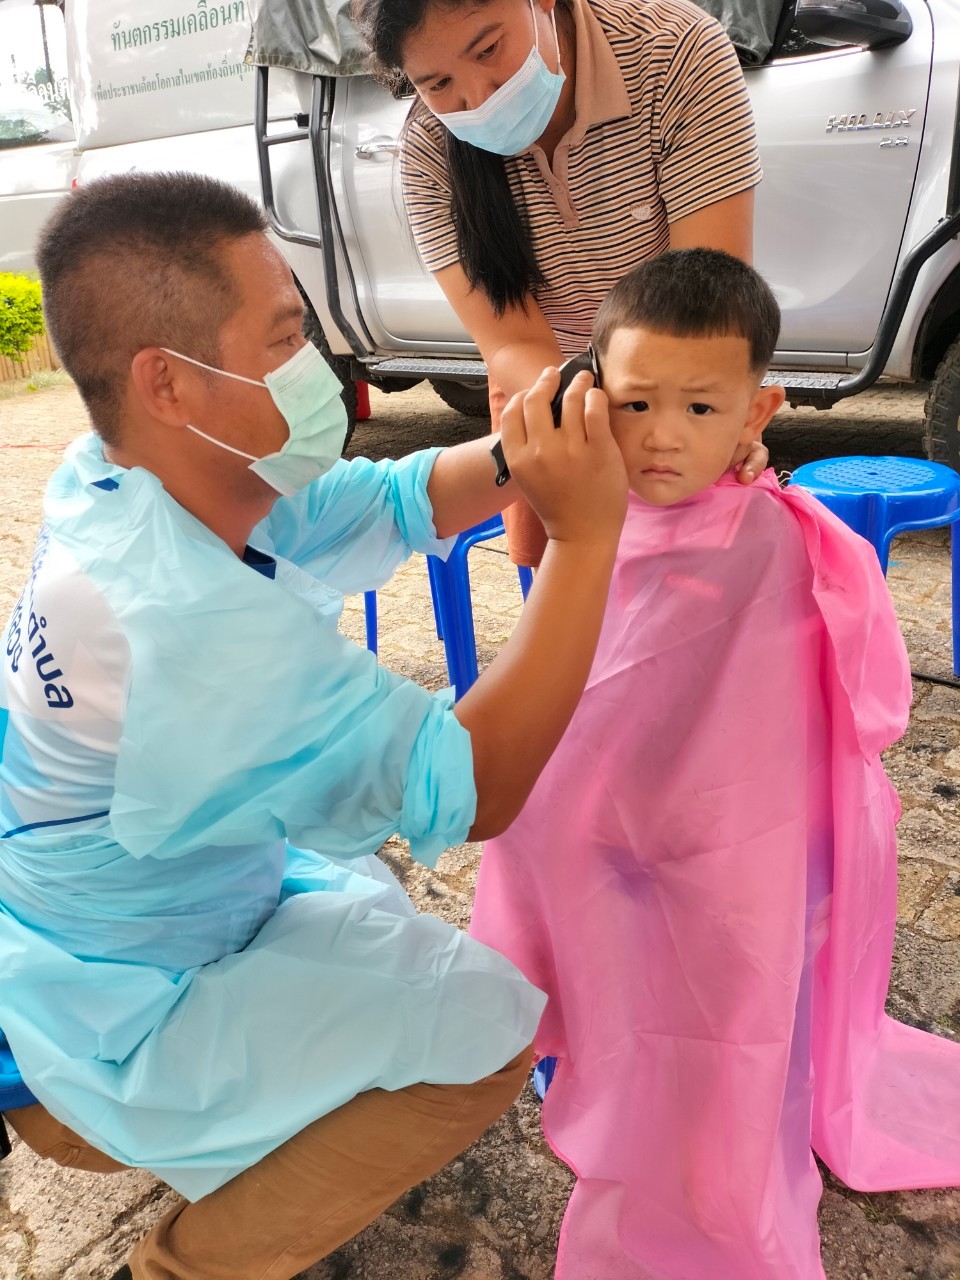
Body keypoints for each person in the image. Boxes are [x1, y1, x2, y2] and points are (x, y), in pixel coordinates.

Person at [0, 171, 630, 1280]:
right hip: (104, 1011)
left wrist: (528, 449)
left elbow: (379, 503)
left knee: (369, 909)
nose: (317, 364)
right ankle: (179, 1265)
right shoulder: (173, 624)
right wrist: (583, 539)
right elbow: (475, 782)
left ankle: (233, 1123)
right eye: (285, 337)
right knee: (482, 1029)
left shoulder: (126, 472)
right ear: (168, 381)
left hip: (101, 924)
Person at [470, 249, 960, 1279]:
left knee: (727, 1010)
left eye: (701, 408)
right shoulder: (587, 516)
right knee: (595, 960)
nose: (663, 435)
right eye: (638, 403)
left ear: (758, 409)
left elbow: (819, 723)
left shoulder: (781, 539)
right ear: (596, 395)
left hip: (734, 842)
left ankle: (710, 1164)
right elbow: (574, 692)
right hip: (606, 821)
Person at [353, 0, 768, 567]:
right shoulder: (430, 153)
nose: (480, 98)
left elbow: (710, 305)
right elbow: (512, 343)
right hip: (548, 394)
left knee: (700, 563)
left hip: (678, 390)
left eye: (488, 49)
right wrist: (587, 426)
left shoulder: (674, 53)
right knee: (564, 572)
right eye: (439, 84)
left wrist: (670, 421)